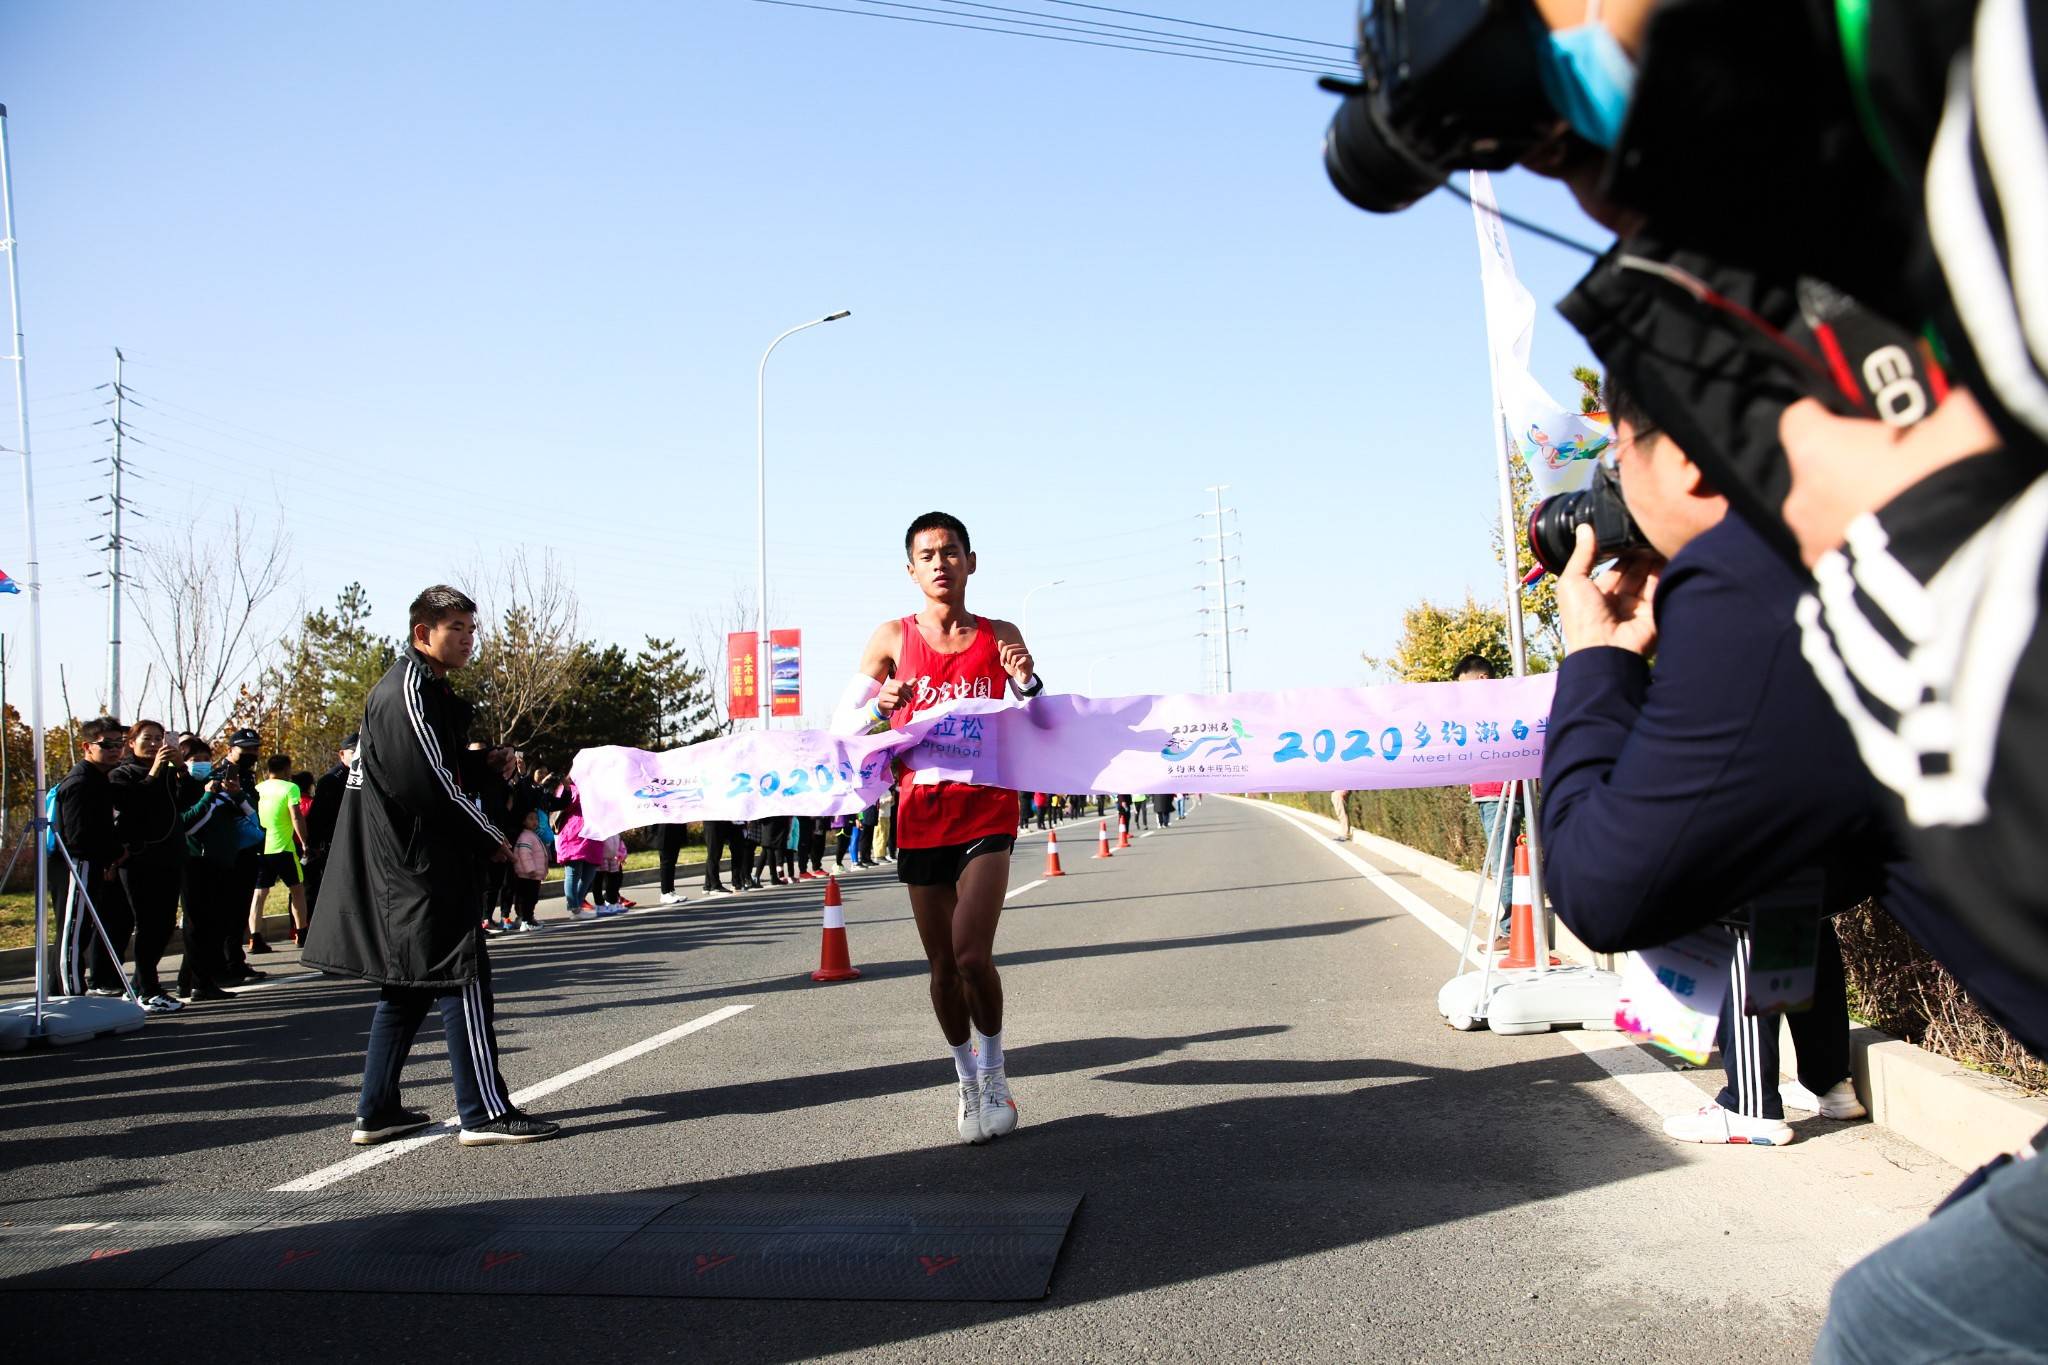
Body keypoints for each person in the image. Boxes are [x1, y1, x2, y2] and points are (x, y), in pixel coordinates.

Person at [1541, 389, 1884, 1148]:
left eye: (1618, 462)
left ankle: (1752, 1105)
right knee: (1804, 918)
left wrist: (1600, 660)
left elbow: (1600, 889)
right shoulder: (1860, 552)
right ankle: (1827, 1082)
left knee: (1749, 925)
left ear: (1690, 460)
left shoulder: (1743, 597)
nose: (1614, 494)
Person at [300, 584, 560, 1148]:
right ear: (423, 633)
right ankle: (483, 1112)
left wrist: (482, 762)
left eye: (472, 629)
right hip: (420, 863)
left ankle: (377, 1109)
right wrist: (494, 836)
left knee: (408, 986)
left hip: (411, 861)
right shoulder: (408, 688)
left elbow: (436, 766)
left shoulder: (423, 688)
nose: (469, 640)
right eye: (457, 630)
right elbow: (430, 785)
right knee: (461, 974)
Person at [834, 511, 1040, 1145]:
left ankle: (997, 1075)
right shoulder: (891, 638)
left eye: (951, 552)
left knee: (973, 955)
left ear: (971, 562)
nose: (940, 563)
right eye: (927, 555)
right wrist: (880, 705)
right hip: (921, 818)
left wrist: (1027, 679)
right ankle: (965, 1079)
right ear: (911, 570)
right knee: (943, 966)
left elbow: (1039, 715)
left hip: (986, 810)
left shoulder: (1000, 634)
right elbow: (843, 723)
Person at [109, 720, 195, 1012]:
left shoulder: (170, 773)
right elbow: (134, 802)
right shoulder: (122, 774)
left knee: (164, 925)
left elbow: (190, 801)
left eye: (160, 738)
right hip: (138, 860)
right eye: (147, 738)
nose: (155, 744)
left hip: (169, 856)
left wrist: (181, 768)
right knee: (148, 924)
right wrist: (157, 770)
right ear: (131, 742)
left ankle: (137, 985)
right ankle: (148, 989)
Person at [53, 716, 132, 998]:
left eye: (119, 744)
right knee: (72, 933)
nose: (114, 749)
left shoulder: (99, 779)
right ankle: (69, 993)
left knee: (82, 929)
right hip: (77, 866)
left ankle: (69, 988)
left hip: (92, 865)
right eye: (107, 744)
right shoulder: (80, 782)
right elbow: (77, 837)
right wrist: (113, 850)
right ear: (87, 746)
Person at [1453, 653, 1517, 948]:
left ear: (1483, 679)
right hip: (1486, 795)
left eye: (1465, 686)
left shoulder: (1505, 704)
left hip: (1500, 793)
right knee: (1500, 863)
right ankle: (1510, 927)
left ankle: (1511, 931)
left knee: (1502, 864)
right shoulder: (1479, 712)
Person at [176, 735, 243, 1000]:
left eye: (206, 759)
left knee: (214, 924)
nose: (202, 764)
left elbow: (247, 813)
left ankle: (194, 980)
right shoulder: (184, 788)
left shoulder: (215, 786)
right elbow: (188, 824)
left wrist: (235, 794)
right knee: (196, 925)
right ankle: (198, 982)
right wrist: (207, 799)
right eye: (195, 760)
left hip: (221, 863)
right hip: (194, 864)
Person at [251, 753, 311, 948]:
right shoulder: (290, 788)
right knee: (297, 890)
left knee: (260, 894)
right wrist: (304, 842)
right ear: (286, 769)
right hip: (284, 847)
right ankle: (301, 933)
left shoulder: (257, 788)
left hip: (261, 847)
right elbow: (296, 816)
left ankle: (255, 937)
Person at [304, 732, 354, 916]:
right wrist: (315, 843)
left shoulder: (367, 774)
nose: (359, 757)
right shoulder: (332, 780)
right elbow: (318, 816)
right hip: (334, 843)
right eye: (354, 752)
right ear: (342, 754)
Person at [508, 810, 548, 930]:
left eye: (536, 819)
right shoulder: (526, 836)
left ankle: (528, 919)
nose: (534, 821)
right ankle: (526, 921)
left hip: (532, 875)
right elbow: (524, 854)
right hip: (528, 874)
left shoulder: (532, 835)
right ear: (523, 821)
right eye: (530, 819)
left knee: (531, 898)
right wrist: (530, 870)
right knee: (528, 898)